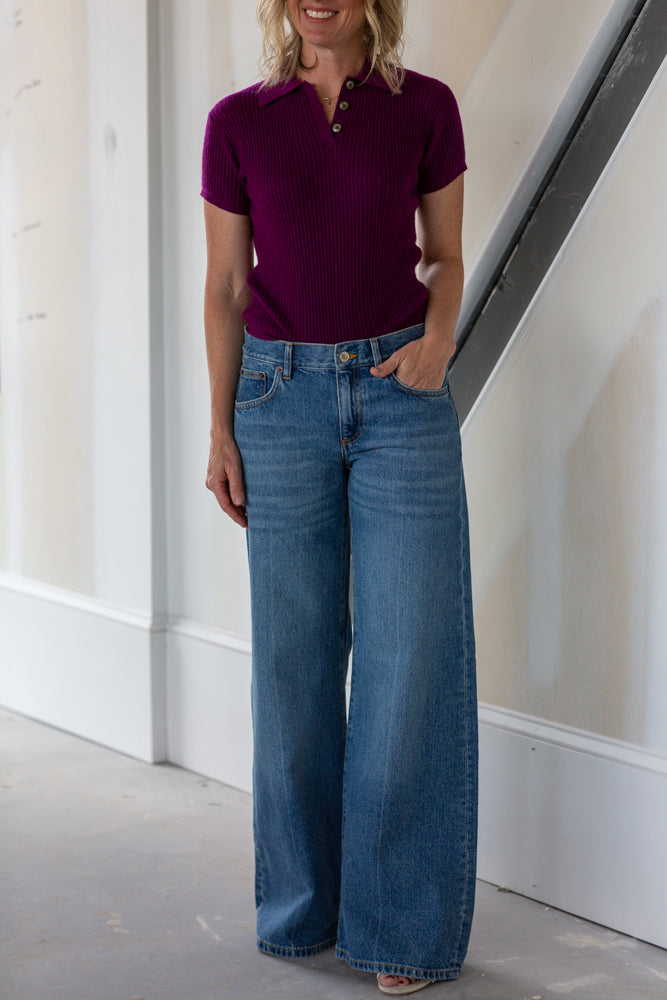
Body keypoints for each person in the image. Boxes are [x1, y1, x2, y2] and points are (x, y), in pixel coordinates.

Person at [201, 1, 478, 993]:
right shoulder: (238, 121)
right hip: (277, 399)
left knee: (410, 659)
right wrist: (221, 427)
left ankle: (399, 928)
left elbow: (444, 256)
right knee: (293, 664)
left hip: (402, 394)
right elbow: (226, 285)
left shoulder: (425, 107)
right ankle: (301, 907)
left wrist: (439, 339)